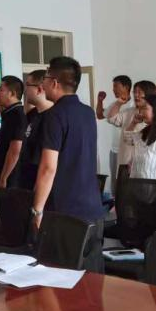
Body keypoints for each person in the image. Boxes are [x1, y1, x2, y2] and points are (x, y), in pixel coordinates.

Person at [31, 56, 103, 271]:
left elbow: (48, 168)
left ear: (54, 82)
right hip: (92, 208)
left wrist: (37, 210)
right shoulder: (88, 112)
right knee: (92, 279)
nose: (42, 85)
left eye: (45, 79)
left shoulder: (54, 115)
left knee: (62, 277)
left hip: (65, 212)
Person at [107, 80, 156, 184]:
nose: (136, 95)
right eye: (135, 92)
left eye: (140, 92)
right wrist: (118, 103)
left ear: (149, 94)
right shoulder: (129, 111)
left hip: (143, 169)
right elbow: (111, 118)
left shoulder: (154, 118)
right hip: (124, 162)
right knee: (122, 191)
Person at [18, 69, 53, 191]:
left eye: (27, 85)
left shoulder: (52, 119)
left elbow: (48, 165)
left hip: (38, 185)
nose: (25, 90)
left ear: (39, 89)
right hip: (24, 181)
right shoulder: (33, 114)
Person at [96, 75, 132, 191]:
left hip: (128, 151)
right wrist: (100, 101)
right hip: (114, 149)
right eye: (113, 86)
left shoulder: (132, 105)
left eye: (116, 86)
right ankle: (115, 201)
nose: (113, 89)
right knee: (115, 182)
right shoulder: (115, 103)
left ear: (126, 87)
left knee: (127, 181)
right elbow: (100, 115)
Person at [0, 75, 27, 188]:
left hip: (9, 180)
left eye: (1, 90)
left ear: (12, 94)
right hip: (1, 176)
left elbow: (15, 150)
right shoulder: (9, 113)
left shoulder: (17, 116)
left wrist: (3, 178)